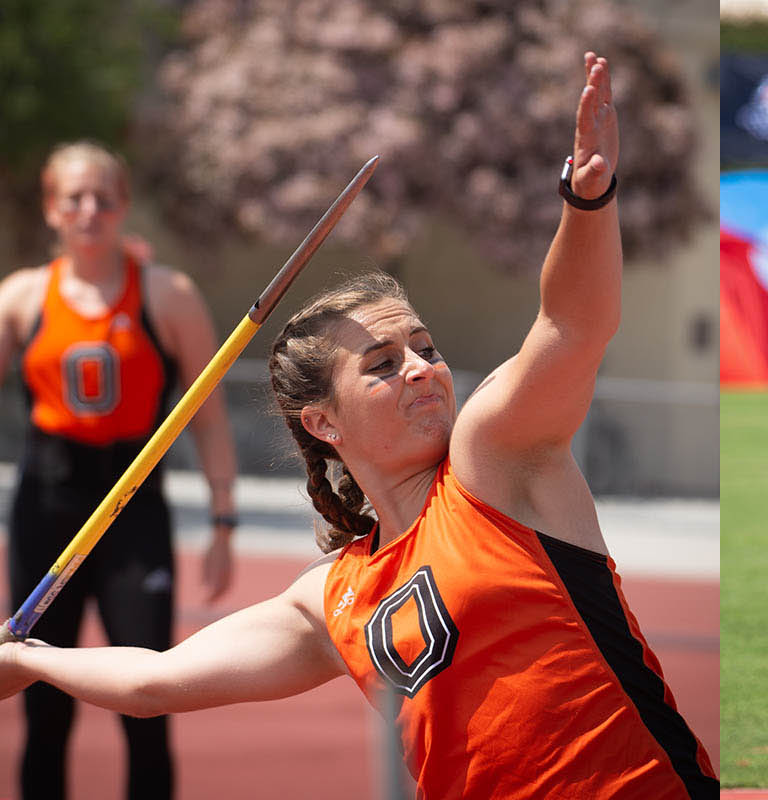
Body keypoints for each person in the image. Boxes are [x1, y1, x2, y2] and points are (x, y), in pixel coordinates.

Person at [0, 52, 717, 799]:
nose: (421, 369)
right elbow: (155, 680)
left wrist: (588, 200)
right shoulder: (333, 596)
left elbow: (573, 324)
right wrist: (29, 662)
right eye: (381, 363)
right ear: (322, 421)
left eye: (426, 348)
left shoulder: (495, 463)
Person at [0, 142, 239, 799]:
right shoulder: (22, 297)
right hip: (46, 509)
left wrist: (223, 524)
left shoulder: (167, 294)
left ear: (125, 206)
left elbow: (211, 418)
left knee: (148, 699)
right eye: (74, 198)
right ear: (52, 209)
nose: (89, 210)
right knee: (42, 703)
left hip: (132, 511)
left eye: (104, 197)